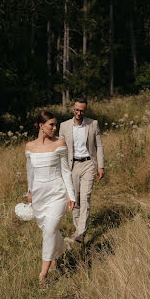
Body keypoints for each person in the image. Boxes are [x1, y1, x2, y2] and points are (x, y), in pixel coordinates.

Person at [25, 111, 75, 287]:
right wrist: (29, 192)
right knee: (49, 229)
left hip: (57, 193)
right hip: (39, 195)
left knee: (49, 230)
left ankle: (43, 276)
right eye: (51, 125)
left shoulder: (60, 143)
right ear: (41, 126)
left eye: (56, 125)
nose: (55, 128)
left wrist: (71, 194)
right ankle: (58, 253)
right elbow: (30, 173)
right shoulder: (30, 147)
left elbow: (66, 171)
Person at [59, 98, 105, 245]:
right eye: (77, 110)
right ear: (73, 109)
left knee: (85, 198)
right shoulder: (64, 126)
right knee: (75, 199)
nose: (79, 113)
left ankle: (80, 232)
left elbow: (100, 146)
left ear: (85, 110)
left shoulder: (93, 124)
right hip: (72, 167)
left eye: (82, 110)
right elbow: (60, 150)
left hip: (88, 164)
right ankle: (78, 228)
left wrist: (101, 166)